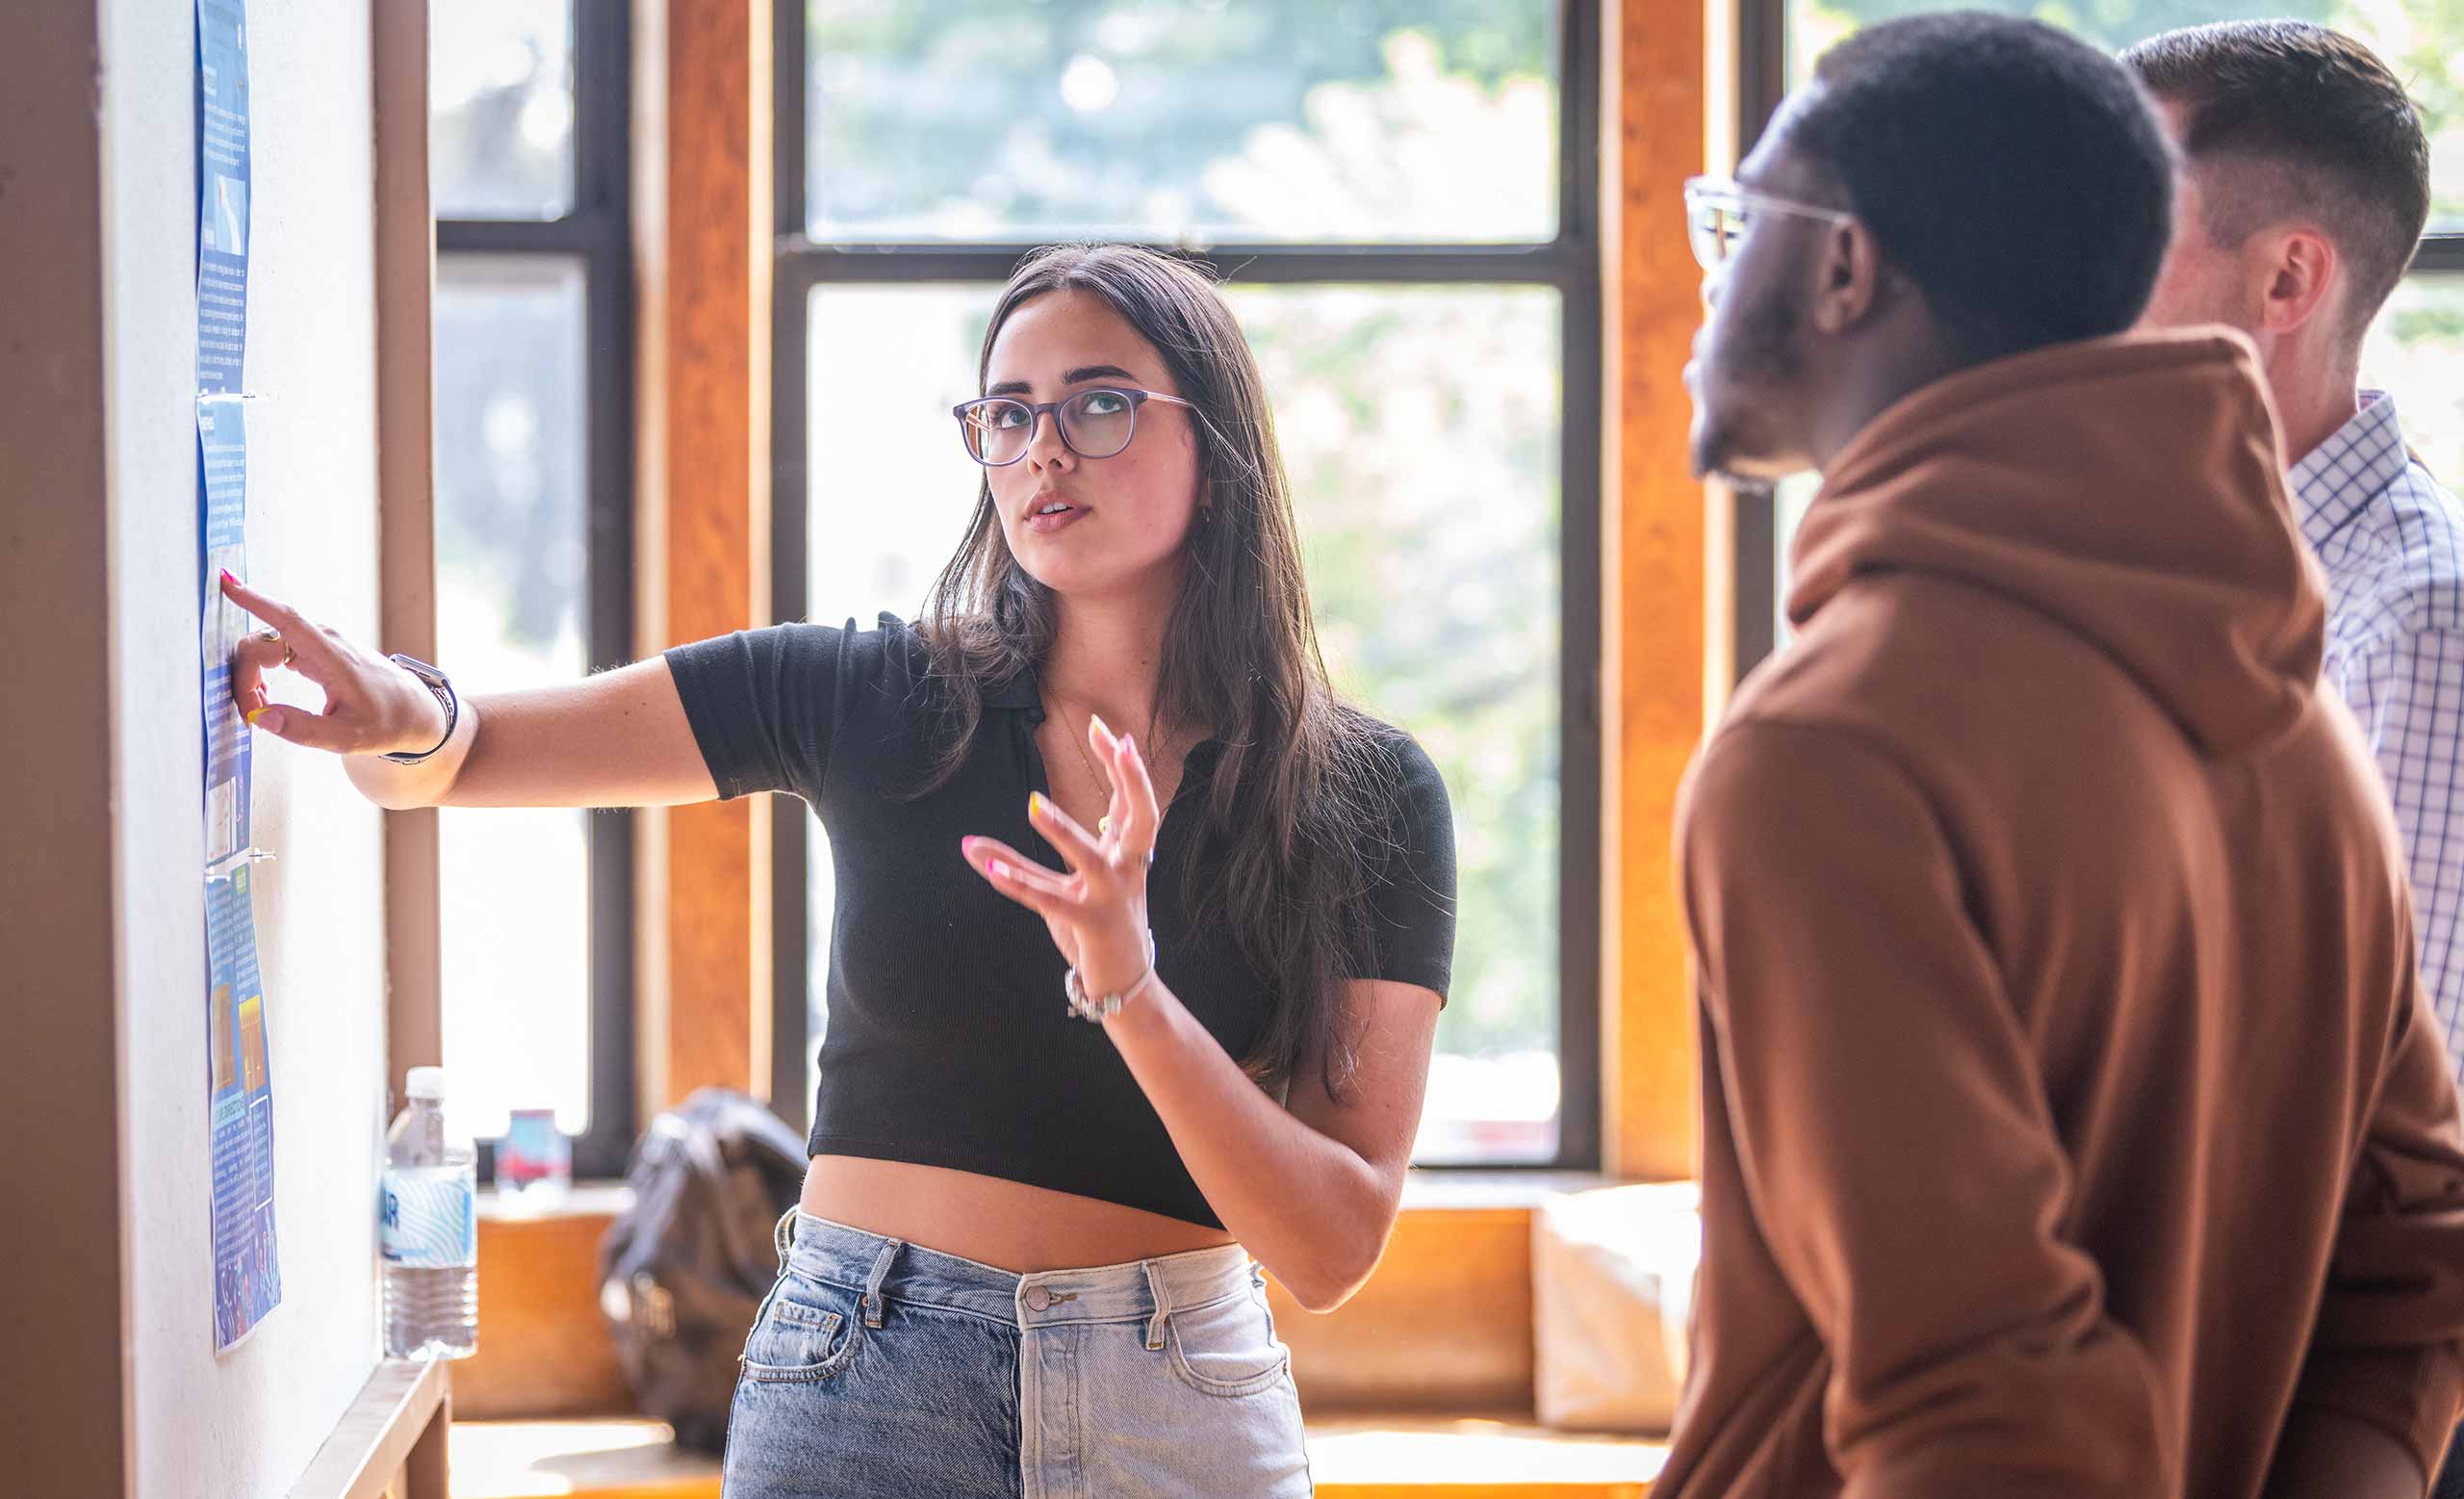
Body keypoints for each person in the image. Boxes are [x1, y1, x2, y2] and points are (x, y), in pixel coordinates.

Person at [221, 242, 1456, 1498]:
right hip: (862, 1380)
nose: (1044, 448)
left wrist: (1130, 986)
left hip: (1181, 1407)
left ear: (1219, 438)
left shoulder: (1364, 797)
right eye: (1008, 413)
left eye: (1098, 402)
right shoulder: (874, 696)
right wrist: (403, 716)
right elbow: (468, 750)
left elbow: (1332, 1244)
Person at [1665, 13, 2464, 1498]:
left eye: (1737, 216)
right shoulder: (2291, 722)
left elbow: (1984, 1413)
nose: (1704, 286)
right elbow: (2413, 1278)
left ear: (1844, 266)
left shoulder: (1825, 750)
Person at [2121, 32, 2464, 1485]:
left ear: (2286, 280)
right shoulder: (2175, 595)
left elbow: (2406, 1177)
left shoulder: (2421, 618)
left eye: (2126, 227)